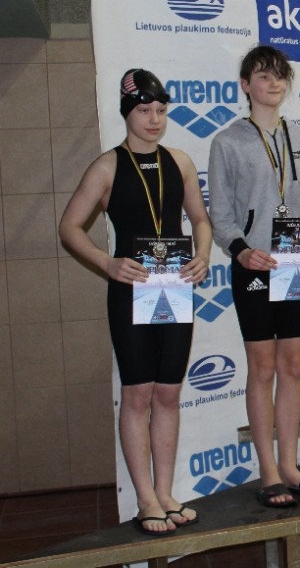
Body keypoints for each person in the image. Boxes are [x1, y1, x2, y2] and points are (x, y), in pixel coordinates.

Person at [59, 69, 212, 535]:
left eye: (161, 111)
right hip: (131, 291)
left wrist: (203, 255)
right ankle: (145, 499)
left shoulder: (180, 161)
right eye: (145, 111)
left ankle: (165, 491)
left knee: (168, 393)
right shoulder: (107, 166)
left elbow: (200, 219)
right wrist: (107, 263)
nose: (154, 120)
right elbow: (69, 227)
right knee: (137, 393)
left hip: (174, 288)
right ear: (128, 112)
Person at [208, 45, 300, 507]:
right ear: (246, 85)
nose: (274, 82)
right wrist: (241, 251)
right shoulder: (227, 142)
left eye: (280, 75)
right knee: (262, 368)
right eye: (263, 75)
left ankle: (290, 465)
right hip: (256, 266)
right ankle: (267, 470)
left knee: (293, 366)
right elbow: (221, 214)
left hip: (298, 264)